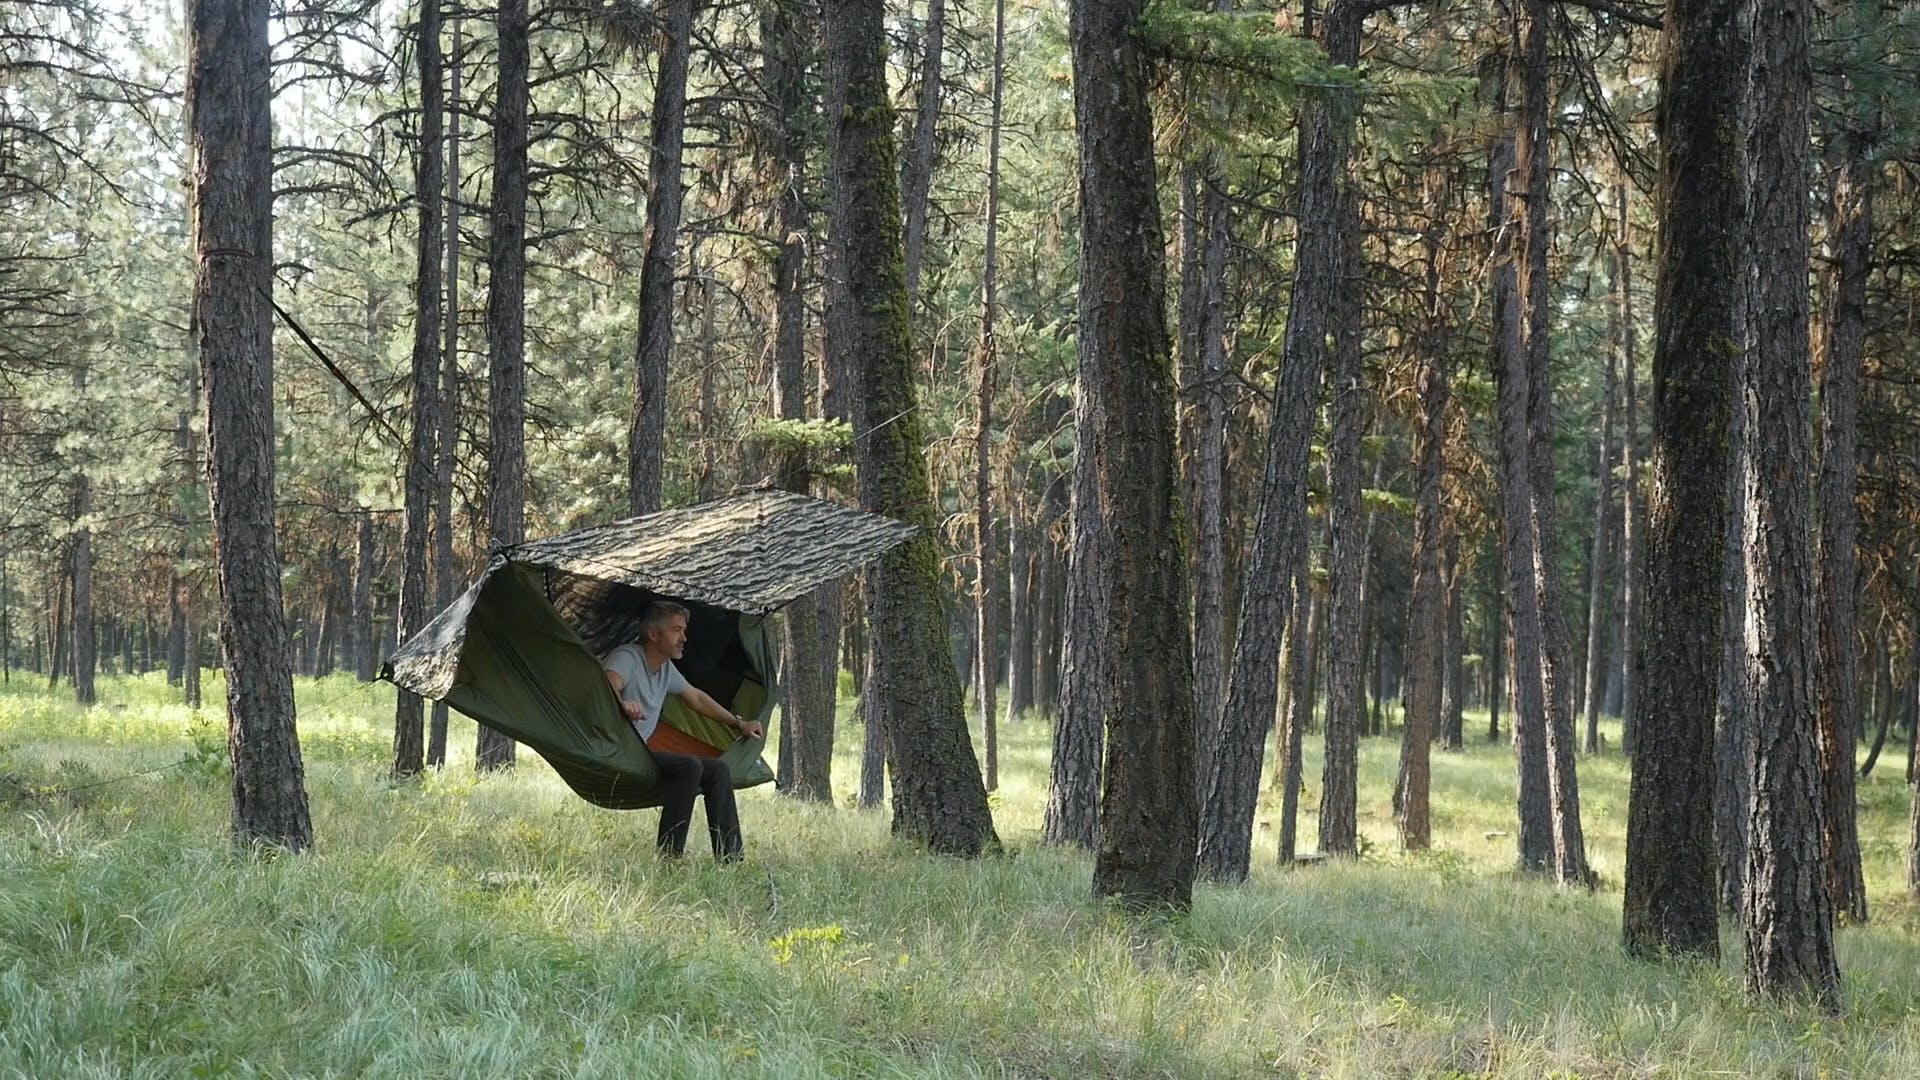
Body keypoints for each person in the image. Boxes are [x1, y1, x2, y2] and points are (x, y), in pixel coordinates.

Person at [602, 601, 765, 861]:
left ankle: (731, 858)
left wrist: (739, 723)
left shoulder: (665, 669)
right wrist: (622, 703)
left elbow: (697, 699)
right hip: (615, 752)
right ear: (654, 634)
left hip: (640, 753)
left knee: (718, 769)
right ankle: (670, 856)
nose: (684, 638)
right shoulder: (627, 657)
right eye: (676, 630)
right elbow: (605, 686)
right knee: (689, 766)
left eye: (684, 630)